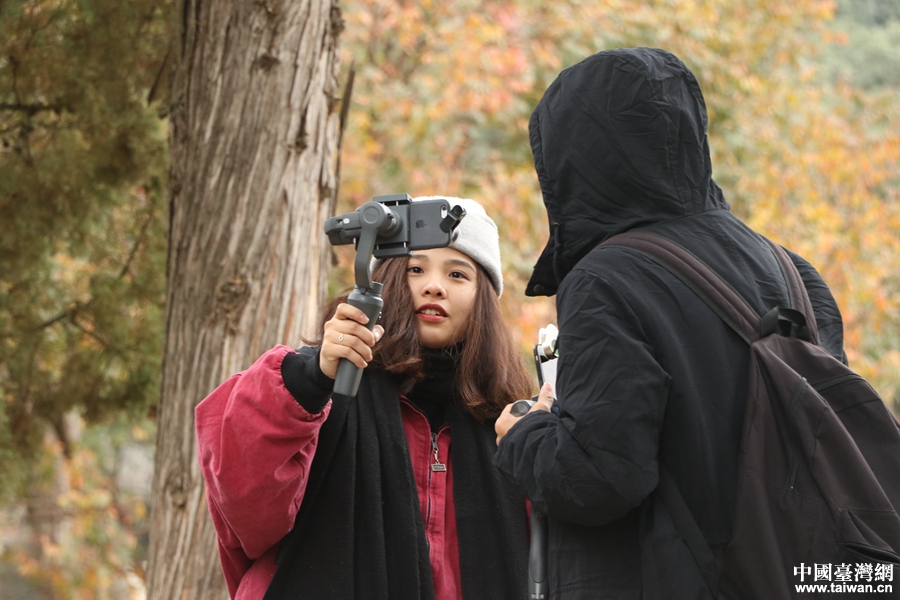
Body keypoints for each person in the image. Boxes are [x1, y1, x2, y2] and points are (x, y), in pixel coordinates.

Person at [493, 47, 847, 599]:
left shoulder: (605, 277)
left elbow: (600, 478)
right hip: (792, 576)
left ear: (573, 157)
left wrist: (523, 433)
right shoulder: (790, 269)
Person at [196, 197, 533, 600]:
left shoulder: (507, 425)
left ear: (484, 302)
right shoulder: (317, 388)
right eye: (415, 268)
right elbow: (243, 498)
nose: (434, 286)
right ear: (384, 280)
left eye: (458, 274)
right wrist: (311, 379)